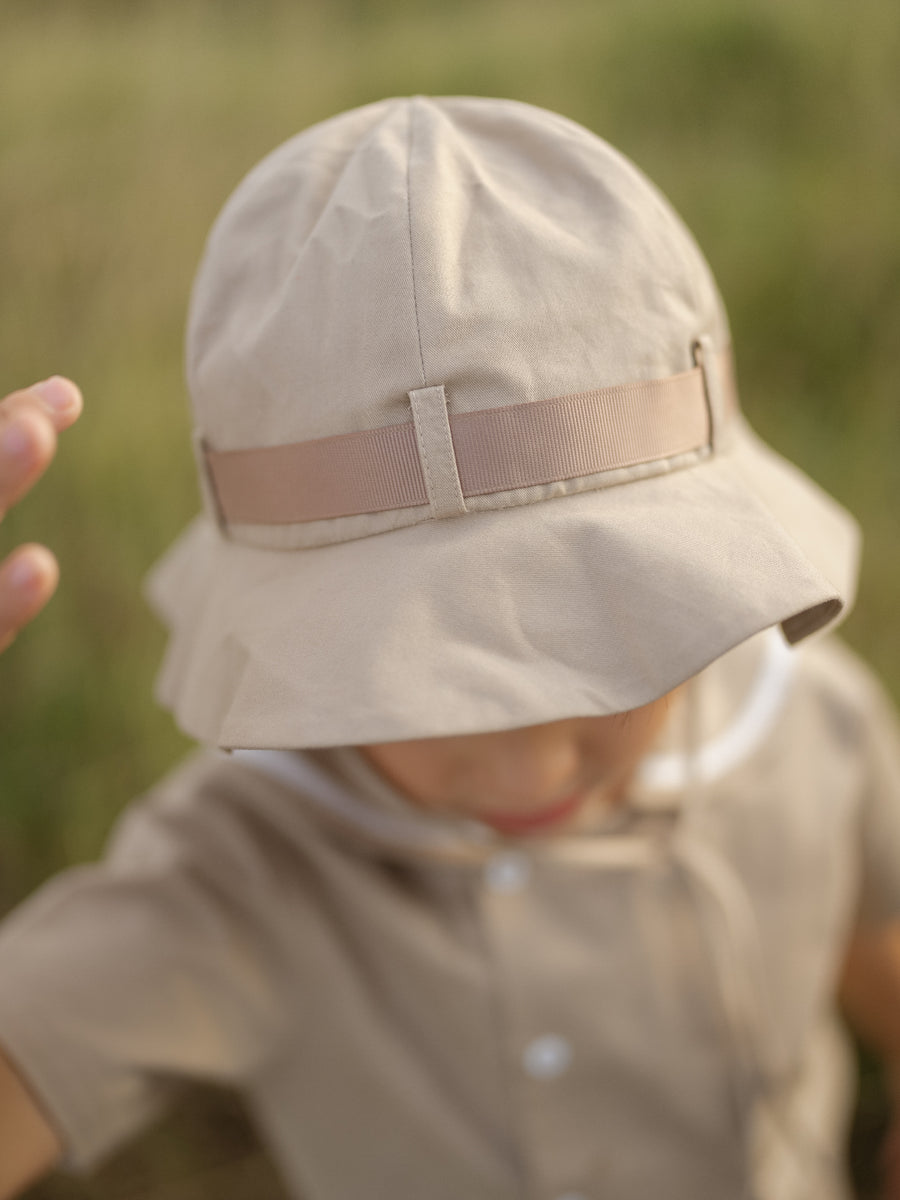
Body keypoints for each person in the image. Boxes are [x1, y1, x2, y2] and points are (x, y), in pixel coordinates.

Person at [1, 96, 900, 1200]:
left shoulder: (815, 729)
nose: (526, 767)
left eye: (607, 658)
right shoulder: (244, 869)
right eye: (422, 684)